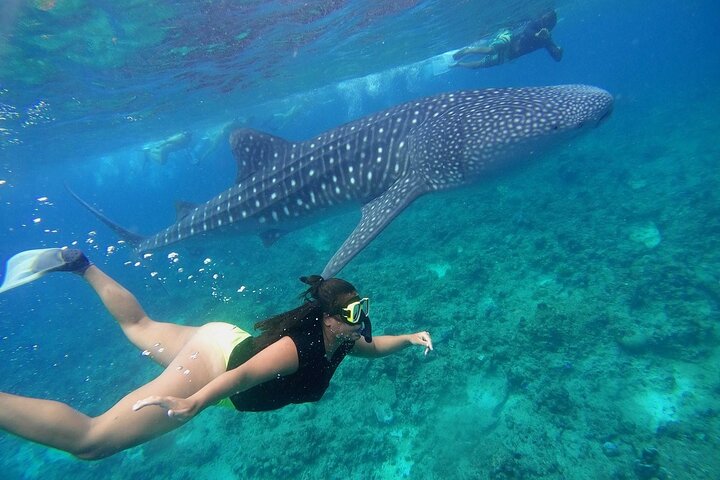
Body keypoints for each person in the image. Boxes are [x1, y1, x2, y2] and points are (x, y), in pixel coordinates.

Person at [0, 249, 433, 460]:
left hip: (221, 340)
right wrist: (195, 402)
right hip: (211, 366)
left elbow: (375, 348)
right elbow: (240, 378)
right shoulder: (296, 349)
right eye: (353, 313)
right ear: (328, 318)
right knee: (91, 443)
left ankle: (78, 263)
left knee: (141, 328)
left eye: (363, 308)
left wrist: (410, 337)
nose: (362, 319)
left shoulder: (342, 339)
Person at [452, 10, 563, 69]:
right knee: (490, 50)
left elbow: (557, 58)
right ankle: (468, 50)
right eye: (544, 20)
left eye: (549, 23)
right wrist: (537, 35)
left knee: (479, 65)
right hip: (509, 38)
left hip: (509, 55)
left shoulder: (547, 39)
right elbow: (527, 31)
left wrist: (559, 52)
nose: (545, 24)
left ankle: (459, 65)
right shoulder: (535, 23)